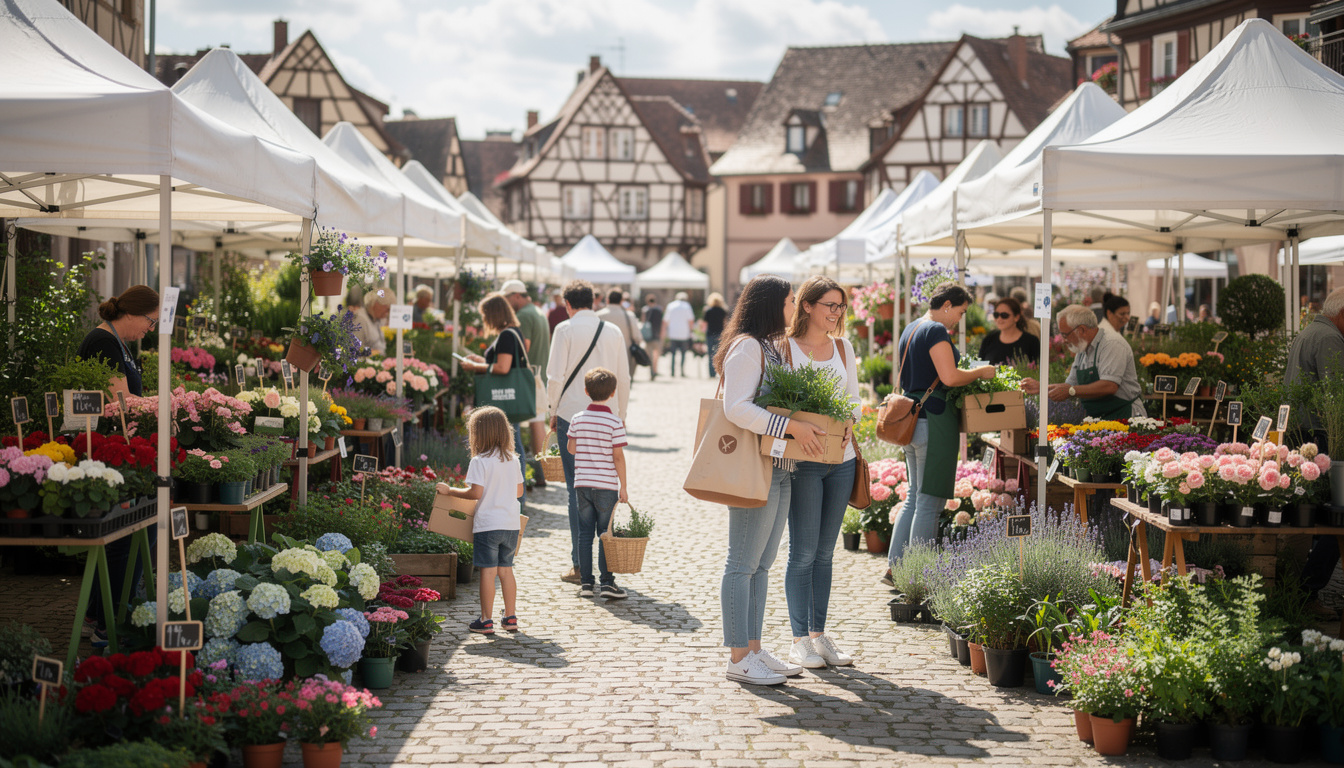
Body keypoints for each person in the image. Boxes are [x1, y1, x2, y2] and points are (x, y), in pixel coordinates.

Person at [716, 274, 827, 686]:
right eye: (790, 302)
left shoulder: (768, 346)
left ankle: (755, 649)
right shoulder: (746, 346)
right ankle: (738, 657)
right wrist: (791, 427)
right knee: (742, 565)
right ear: (771, 304)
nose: (794, 309)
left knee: (761, 566)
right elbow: (736, 408)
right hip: (754, 465)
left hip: (778, 465)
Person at [884, 284, 995, 574]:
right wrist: (981, 372)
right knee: (930, 503)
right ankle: (918, 575)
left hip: (911, 421)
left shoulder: (911, 328)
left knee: (914, 498)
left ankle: (896, 568)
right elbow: (950, 376)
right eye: (960, 312)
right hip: (932, 421)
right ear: (946, 305)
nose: (959, 319)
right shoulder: (935, 330)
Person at [782, 276, 859, 670]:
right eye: (830, 305)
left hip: (841, 462)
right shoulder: (786, 348)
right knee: (803, 552)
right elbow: (776, 403)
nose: (836, 313)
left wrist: (850, 418)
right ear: (807, 306)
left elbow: (856, 400)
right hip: (803, 462)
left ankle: (818, 634)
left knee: (826, 554)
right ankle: (799, 641)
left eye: (841, 306)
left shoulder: (843, 349)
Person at [77, 284, 161, 647]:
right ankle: (107, 622)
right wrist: (163, 405)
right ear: (132, 313)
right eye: (150, 321)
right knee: (126, 535)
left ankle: (102, 614)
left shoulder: (119, 342)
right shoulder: (102, 343)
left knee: (125, 533)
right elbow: (120, 402)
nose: (151, 329)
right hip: (109, 451)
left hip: (120, 448)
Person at [546, 280, 632, 585]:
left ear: (568, 304)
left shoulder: (564, 330)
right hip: (609, 416)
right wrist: (620, 416)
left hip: (572, 415)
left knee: (576, 490)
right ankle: (606, 571)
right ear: (593, 302)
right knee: (607, 487)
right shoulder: (613, 331)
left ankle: (580, 566)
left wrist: (551, 410)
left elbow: (555, 376)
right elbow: (623, 376)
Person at [436, 406, 525, 634]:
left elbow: (475, 493)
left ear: (478, 433)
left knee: (487, 571)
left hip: (488, 524)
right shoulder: (513, 460)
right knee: (506, 571)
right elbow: (518, 492)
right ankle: (511, 617)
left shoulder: (479, 461)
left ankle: (486, 620)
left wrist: (449, 491)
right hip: (511, 525)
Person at [1286, 288, 1344, 612]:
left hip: (1301, 431)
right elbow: (1337, 395)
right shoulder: (1330, 339)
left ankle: (1299, 589)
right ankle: (1309, 590)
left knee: (1308, 511)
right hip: (1321, 433)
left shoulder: (1310, 331)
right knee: (1335, 514)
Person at [566, 367, 630, 600]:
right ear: (612, 393)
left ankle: (585, 584)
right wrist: (623, 486)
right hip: (606, 486)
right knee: (605, 534)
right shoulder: (614, 422)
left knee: (584, 534)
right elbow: (618, 456)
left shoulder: (577, 419)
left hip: (582, 485)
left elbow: (571, 449)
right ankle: (607, 583)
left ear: (586, 391)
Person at [1023, 304, 1147, 419]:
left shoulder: (1111, 344)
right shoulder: (1083, 349)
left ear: (1081, 330)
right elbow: (1069, 385)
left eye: (1065, 335)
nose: (1064, 340)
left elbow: (1109, 386)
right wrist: (1042, 388)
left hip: (1125, 415)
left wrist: (1071, 391)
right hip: (1101, 418)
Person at [460, 293, 531, 496]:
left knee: (512, 447)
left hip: (505, 398)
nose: (484, 320)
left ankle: (517, 499)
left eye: (485, 315)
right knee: (513, 445)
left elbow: (502, 367)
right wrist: (481, 362)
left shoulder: (507, 335)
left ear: (493, 315)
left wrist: (475, 366)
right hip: (508, 396)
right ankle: (516, 497)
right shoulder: (512, 332)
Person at [501, 280, 551, 461]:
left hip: (527, 377)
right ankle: (542, 469)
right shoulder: (538, 311)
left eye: (506, 299)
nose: (506, 304)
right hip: (539, 374)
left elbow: (524, 347)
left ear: (516, 296)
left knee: (534, 424)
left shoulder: (523, 315)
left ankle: (539, 471)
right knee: (537, 422)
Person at [977, 297, 1039, 366]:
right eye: (996, 315)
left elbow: (1037, 369)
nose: (999, 319)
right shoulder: (989, 339)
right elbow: (979, 366)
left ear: (1016, 317)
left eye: (1004, 315)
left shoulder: (1032, 342)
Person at [595, 288, 643, 377]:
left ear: (607, 300)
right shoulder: (629, 316)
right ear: (621, 301)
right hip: (624, 354)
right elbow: (637, 337)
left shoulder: (598, 315)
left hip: (602, 356)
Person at [348, 287, 390, 356]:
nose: (387, 310)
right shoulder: (360, 319)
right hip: (366, 363)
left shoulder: (376, 318)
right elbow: (355, 348)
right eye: (385, 306)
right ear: (375, 305)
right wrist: (372, 352)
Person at [664, 291, 696, 377]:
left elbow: (666, 320)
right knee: (683, 354)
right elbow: (691, 321)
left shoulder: (670, 306)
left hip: (673, 333)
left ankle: (673, 371)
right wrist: (691, 330)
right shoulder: (687, 306)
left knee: (673, 354)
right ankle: (682, 371)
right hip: (684, 333)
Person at [703, 293, 728, 377]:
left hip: (710, 333)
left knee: (710, 354)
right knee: (719, 354)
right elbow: (725, 324)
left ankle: (711, 373)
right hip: (719, 334)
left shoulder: (708, 311)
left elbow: (705, 324)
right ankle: (719, 371)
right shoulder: (722, 311)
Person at [642, 295, 664, 380]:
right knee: (656, 355)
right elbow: (662, 323)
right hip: (657, 335)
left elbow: (643, 321)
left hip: (648, 335)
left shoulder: (645, 310)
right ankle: (655, 370)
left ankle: (651, 371)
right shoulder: (659, 310)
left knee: (650, 355)